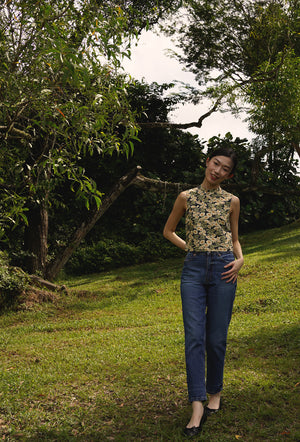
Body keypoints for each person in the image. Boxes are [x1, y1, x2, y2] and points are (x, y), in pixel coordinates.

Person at [163, 147, 244, 438]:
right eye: (215, 163)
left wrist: (241, 259)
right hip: (193, 271)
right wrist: (192, 250)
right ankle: (197, 404)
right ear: (207, 163)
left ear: (229, 175)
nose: (218, 171)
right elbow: (168, 231)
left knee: (216, 338)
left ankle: (215, 394)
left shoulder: (232, 201)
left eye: (225, 169)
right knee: (194, 336)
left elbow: (234, 238)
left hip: (224, 268)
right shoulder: (186, 197)